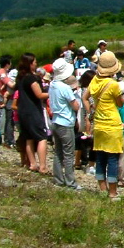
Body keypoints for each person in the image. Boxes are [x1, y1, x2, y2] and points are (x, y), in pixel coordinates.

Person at [83, 51, 124, 198]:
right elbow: (119, 103)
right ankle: (113, 192)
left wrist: (90, 113)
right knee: (112, 158)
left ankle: (102, 189)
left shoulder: (94, 80)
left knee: (100, 157)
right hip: (112, 124)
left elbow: (85, 97)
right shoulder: (113, 85)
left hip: (99, 123)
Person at [49, 59, 81, 189]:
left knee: (58, 152)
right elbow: (75, 106)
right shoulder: (65, 88)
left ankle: (58, 179)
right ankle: (70, 182)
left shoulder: (52, 85)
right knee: (68, 154)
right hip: (65, 122)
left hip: (55, 120)